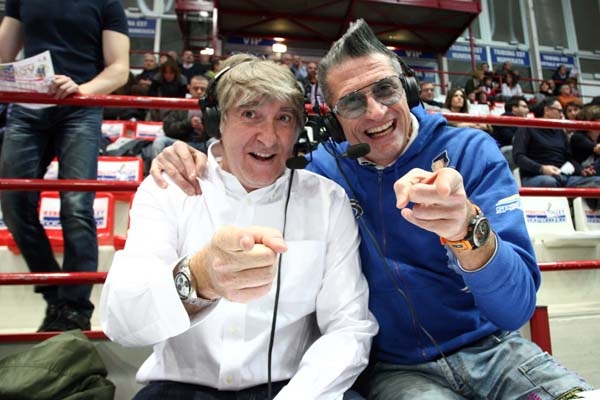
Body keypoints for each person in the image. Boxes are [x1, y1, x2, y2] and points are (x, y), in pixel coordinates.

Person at [150, 19, 594, 399]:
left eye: (386, 89)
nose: (376, 111)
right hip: (398, 370)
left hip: (496, 349)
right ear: (331, 120)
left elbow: (516, 309)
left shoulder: (472, 151)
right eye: (352, 101)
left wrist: (466, 227)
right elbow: (253, 158)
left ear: (409, 89)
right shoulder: (322, 171)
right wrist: (192, 157)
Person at [100, 54, 377, 399]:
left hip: (295, 388)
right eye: (250, 114)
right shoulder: (168, 189)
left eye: (284, 118)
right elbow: (122, 322)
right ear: (217, 121)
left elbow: (348, 326)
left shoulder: (327, 201)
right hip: (179, 389)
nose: (269, 138)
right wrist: (199, 279)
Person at [0, 0, 130, 331]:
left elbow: (119, 69)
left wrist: (82, 90)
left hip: (81, 108)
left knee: (76, 206)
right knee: (13, 202)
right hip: (29, 104)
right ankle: (57, 296)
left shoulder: (106, 3)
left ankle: (74, 307)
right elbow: (3, 53)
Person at [513, 97, 600, 188]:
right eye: (559, 111)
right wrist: (542, 169)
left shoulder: (560, 132)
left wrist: (581, 170)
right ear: (547, 110)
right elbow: (518, 157)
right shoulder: (526, 128)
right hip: (535, 176)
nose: (562, 115)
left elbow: (568, 158)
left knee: (597, 181)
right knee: (549, 182)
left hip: (563, 175)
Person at [151, 75, 212, 159]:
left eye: (202, 89)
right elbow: (168, 129)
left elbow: (220, 132)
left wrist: (205, 129)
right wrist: (188, 124)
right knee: (160, 141)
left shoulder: (213, 108)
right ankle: (157, 166)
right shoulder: (181, 105)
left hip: (204, 143)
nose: (199, 91)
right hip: (181, 142)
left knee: (215, 142)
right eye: (195, 88)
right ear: (189, 88)